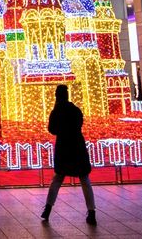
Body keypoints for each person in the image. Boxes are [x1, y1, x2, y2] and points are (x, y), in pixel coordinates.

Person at [40, 85, 96, 226]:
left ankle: (47, 209)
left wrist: (62, 130)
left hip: (64, 146)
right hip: (77, 145)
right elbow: (80, 124)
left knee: (57, 179)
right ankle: (92, 212)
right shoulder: (75, 110)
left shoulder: (56, 111)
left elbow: (51, 129)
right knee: (84, 179)